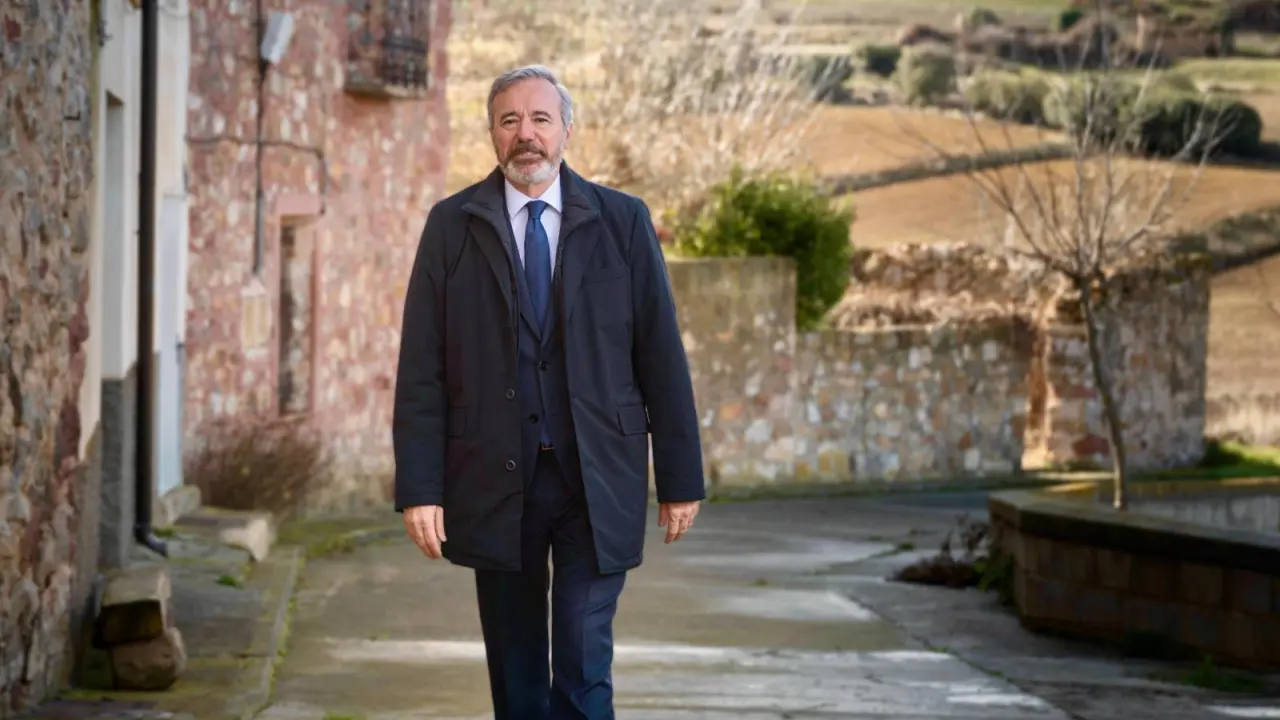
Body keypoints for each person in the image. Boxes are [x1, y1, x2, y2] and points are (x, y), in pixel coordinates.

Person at [392, 64, 706, 720]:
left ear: (566, 129)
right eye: (509, 120)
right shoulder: (451, 227)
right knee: (516, 670)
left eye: (540, 118)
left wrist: (681, 479)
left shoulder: (623, 221)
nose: (525, 134)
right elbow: (422, 368)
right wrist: (421, 488)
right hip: (491, 477)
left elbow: (660, 355)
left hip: (597, 476)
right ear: (491, 133)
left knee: (584, 657)